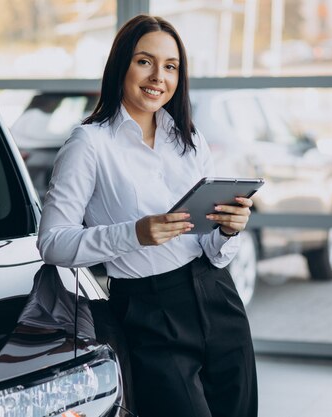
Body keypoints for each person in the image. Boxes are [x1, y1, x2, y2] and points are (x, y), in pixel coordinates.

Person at [37, 14, 258, 417]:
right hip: (148, 311)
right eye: (145, 61)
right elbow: (51, 244)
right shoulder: (89, 144)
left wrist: (228, 231)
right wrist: (135, 233)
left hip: (217, 297)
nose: (159, 76)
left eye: (171, 66)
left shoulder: (189, 139)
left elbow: (210, 248)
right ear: (122, 64)